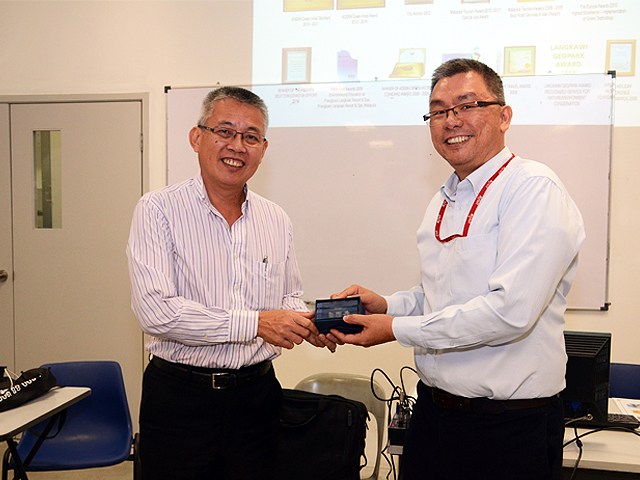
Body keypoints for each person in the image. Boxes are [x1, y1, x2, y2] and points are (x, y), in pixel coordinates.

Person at [327, 59, 585, 480]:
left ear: (504, 116)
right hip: (434, 416)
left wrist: (393, 328)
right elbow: (440, 295)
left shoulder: (533, 188)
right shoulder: (443, 198)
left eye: (467, 105)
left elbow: (508, 312)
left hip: (509, 429)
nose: (451, 121)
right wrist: (387, 304)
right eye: (439, 111)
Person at [126, 86, 331, 480]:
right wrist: (256, 323)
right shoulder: (157, 210)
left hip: (256, 398)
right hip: (179, 399)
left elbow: (287, 295)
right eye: (225, 131)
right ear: (197, 137)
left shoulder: (276, 219)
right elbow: (156, 312)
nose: (237, 145)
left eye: (250, 136)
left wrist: (307, 323)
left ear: (263, 148)